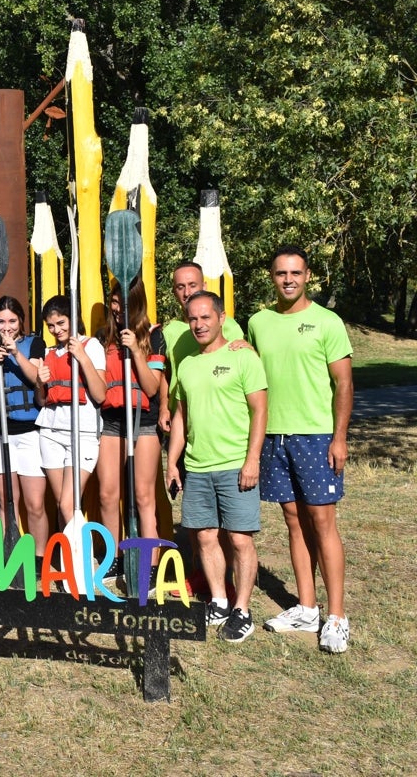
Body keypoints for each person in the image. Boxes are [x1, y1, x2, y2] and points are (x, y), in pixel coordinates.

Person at [248, 245, 353, 653]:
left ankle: (337, 617)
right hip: (275, 436)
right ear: (271, 277)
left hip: (316, 435)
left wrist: (339, 437)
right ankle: (307, 607)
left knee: (322, 521)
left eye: (295, 273)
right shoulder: (259, 322)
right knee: (293, 520)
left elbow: (344, 384)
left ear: (308, 275)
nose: (288, 279)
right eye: (280, 273)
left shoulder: (327, 322)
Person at [166, 291, 267, 643]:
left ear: (221, 318)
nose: (199, 324)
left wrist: (252, 459)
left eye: (206, 317)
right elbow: (181, 417)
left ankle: (242, 610)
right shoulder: (189, 364)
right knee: (205, 537)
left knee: (239, 539)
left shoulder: (243, 358)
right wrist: (172, 463)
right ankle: (220, 602)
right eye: (193, 318)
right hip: (198, 466)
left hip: (235, 464)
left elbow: (259, 411)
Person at [158, 261, 245, 599]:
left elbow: (242, 363)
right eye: (179, 287)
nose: (186, 291)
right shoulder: (171, 331)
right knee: (195, 513)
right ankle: (200, 572)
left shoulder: (230, 325)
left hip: (220, 431)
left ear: (203, 283)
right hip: (184, 427)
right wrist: (166, 404)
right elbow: (170, 373)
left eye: (192, 284)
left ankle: (226, 581)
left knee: (224, 516)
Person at [95, 280, 167, 584]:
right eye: (113, 301)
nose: (117, 308)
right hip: (112, 421)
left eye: (123, 302)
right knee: (107, 494)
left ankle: (148, 567)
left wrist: (136, 350)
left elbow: (151, 387)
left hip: (144, 422)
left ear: (136, 302)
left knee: (143, 496)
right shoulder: (103, 336)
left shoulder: (154, 336)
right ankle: (113, 559)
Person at [0, 296, 48, 569]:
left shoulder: (35, 344)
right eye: (1, 322)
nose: (6, 327)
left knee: (35, 501)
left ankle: (39, 559)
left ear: (21, 322)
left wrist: (16, 353)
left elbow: (38, 378)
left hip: (28, 431)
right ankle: (11, 555)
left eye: (12, 321)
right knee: (7, 500)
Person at [34, 295, 107, 537]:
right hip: (51, 432)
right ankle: (73, 560)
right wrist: (38, 382)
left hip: (82, 432)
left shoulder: (91, 346)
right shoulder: (49, 351)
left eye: (61, 323)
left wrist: (83, 358)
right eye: (51, 326)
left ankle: (85, 563)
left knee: (69, 504)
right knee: (61, 505)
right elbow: (42, 400)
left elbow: (99, 394)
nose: (56, 330)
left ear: (73, 319)